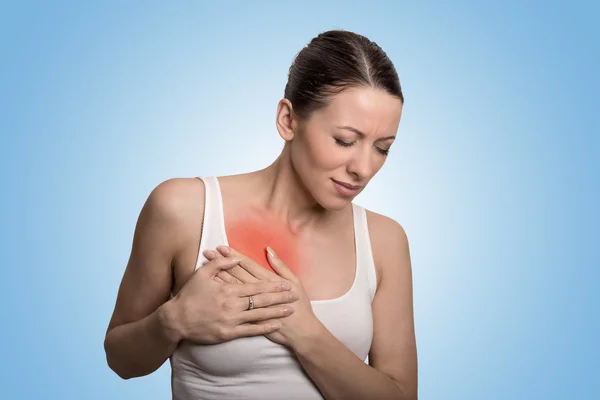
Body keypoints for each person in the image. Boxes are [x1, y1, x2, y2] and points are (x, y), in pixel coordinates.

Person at [104, 29, 418, 399]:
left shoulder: (383, 241)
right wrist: (172, 321)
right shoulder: (184, 210)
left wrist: (307, 334)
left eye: (382, 149)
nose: (363, 168)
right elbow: (121, 360)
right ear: (288, 120)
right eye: (345, 141)